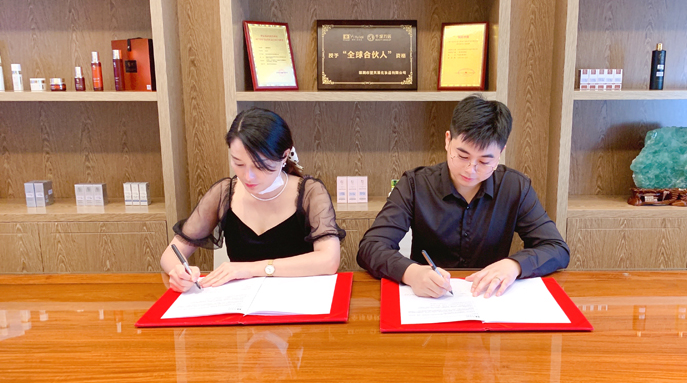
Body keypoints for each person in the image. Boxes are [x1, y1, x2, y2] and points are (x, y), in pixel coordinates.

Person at [357, 95, 568, 298]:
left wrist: (514, 265)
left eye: (484, 162)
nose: (470, 169)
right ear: (447, 140)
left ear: (500, 152)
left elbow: (556, 248)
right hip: (429, 297)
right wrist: (411, 273)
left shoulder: (515, 187)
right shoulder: (415, 184)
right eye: (462, 156)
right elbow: (371, 247)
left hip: (488, 297)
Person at [160, 108, 345, 292]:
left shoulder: (309, 193)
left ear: (284, 156)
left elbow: (329, 260)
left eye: (260, 166)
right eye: (238, 163)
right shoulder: (224, 193)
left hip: (299, 296)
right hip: (240, 301)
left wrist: (251, 268)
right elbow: (170, 254)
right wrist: (178, 272)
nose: (248, 176)